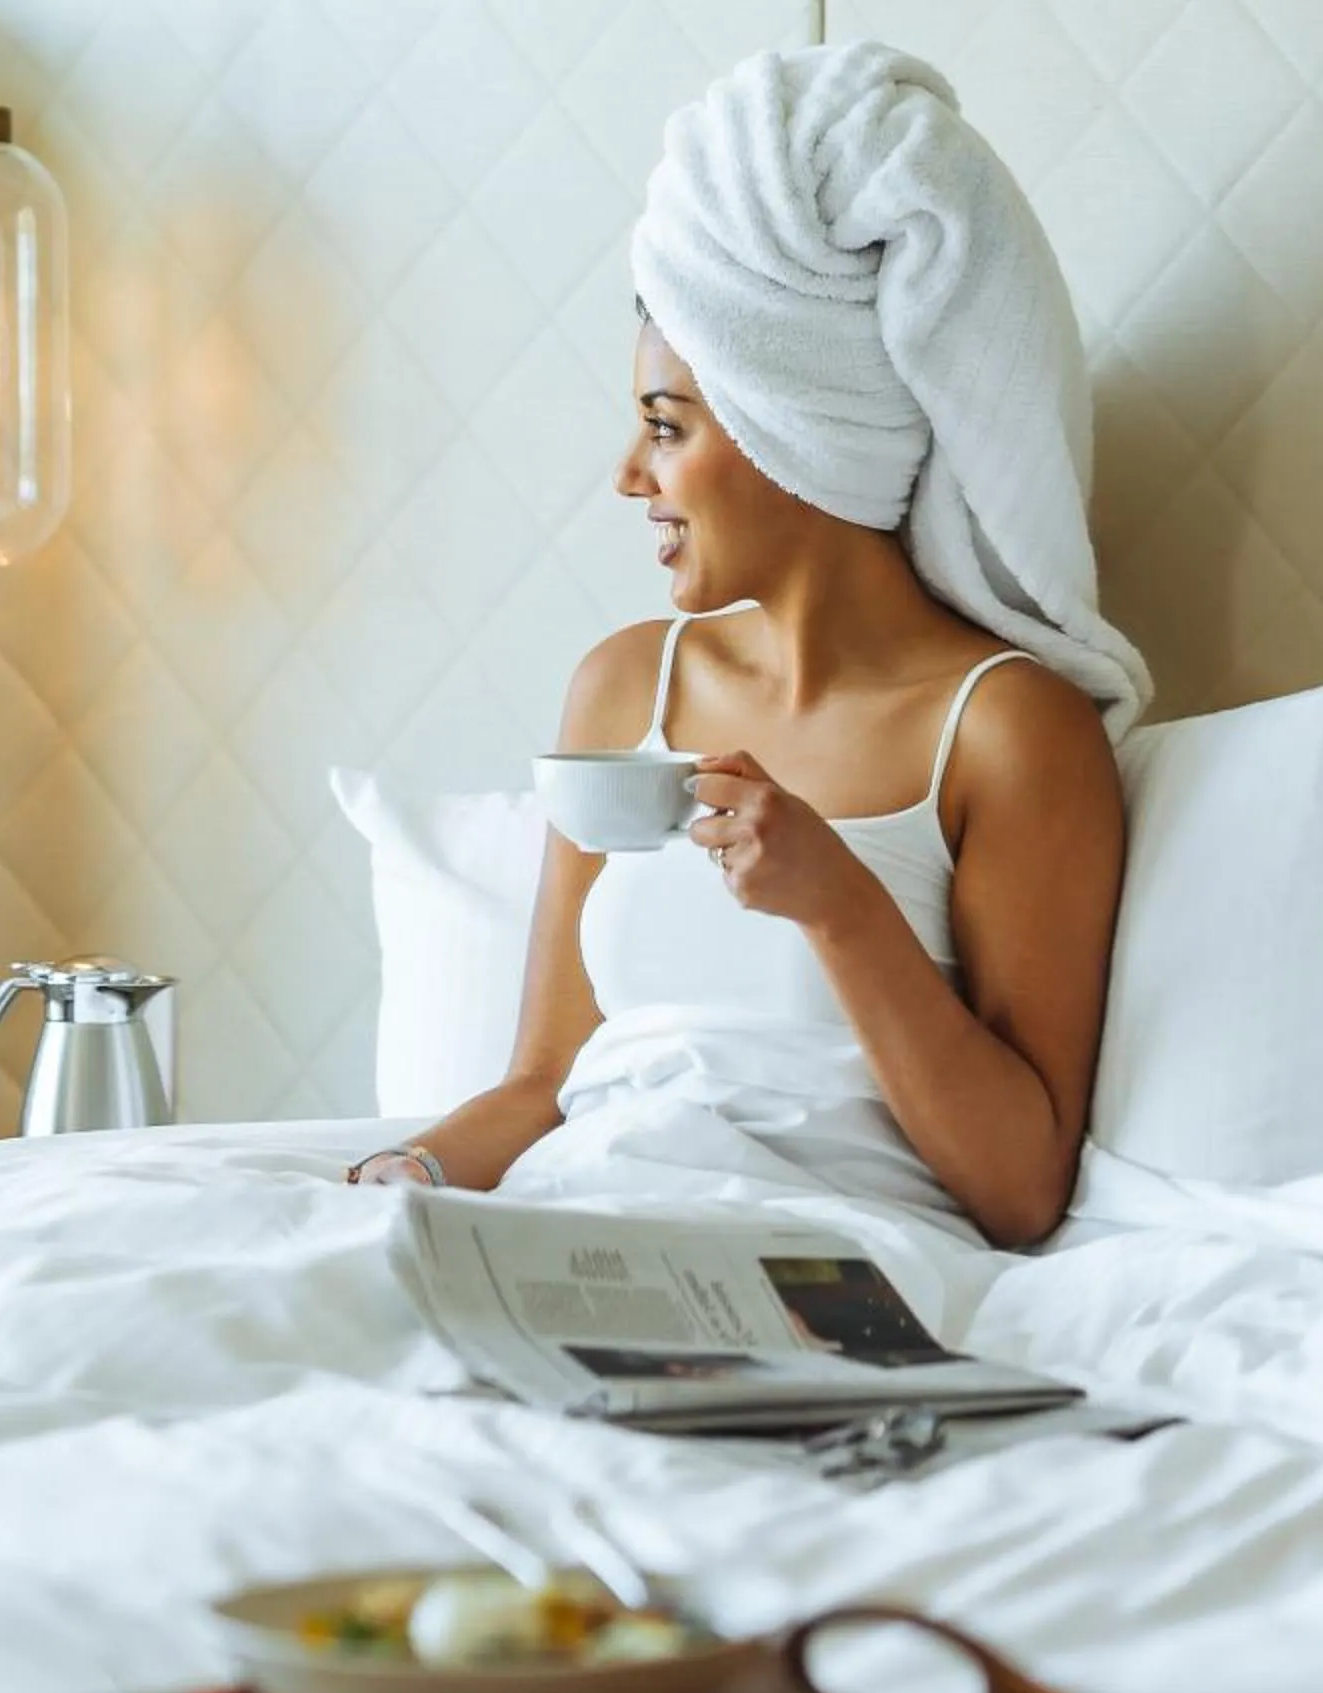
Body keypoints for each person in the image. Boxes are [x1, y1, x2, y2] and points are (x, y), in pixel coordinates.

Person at [345, 44, 1148, 1248]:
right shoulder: (625, 686)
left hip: (831, 1268)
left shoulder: (1007, 731)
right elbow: (544, 1084)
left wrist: (842, 907)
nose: (630, 476)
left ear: (799, 434)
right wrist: (406, 1173)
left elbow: (1021, 1189)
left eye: (667, 427)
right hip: (580, 1231)